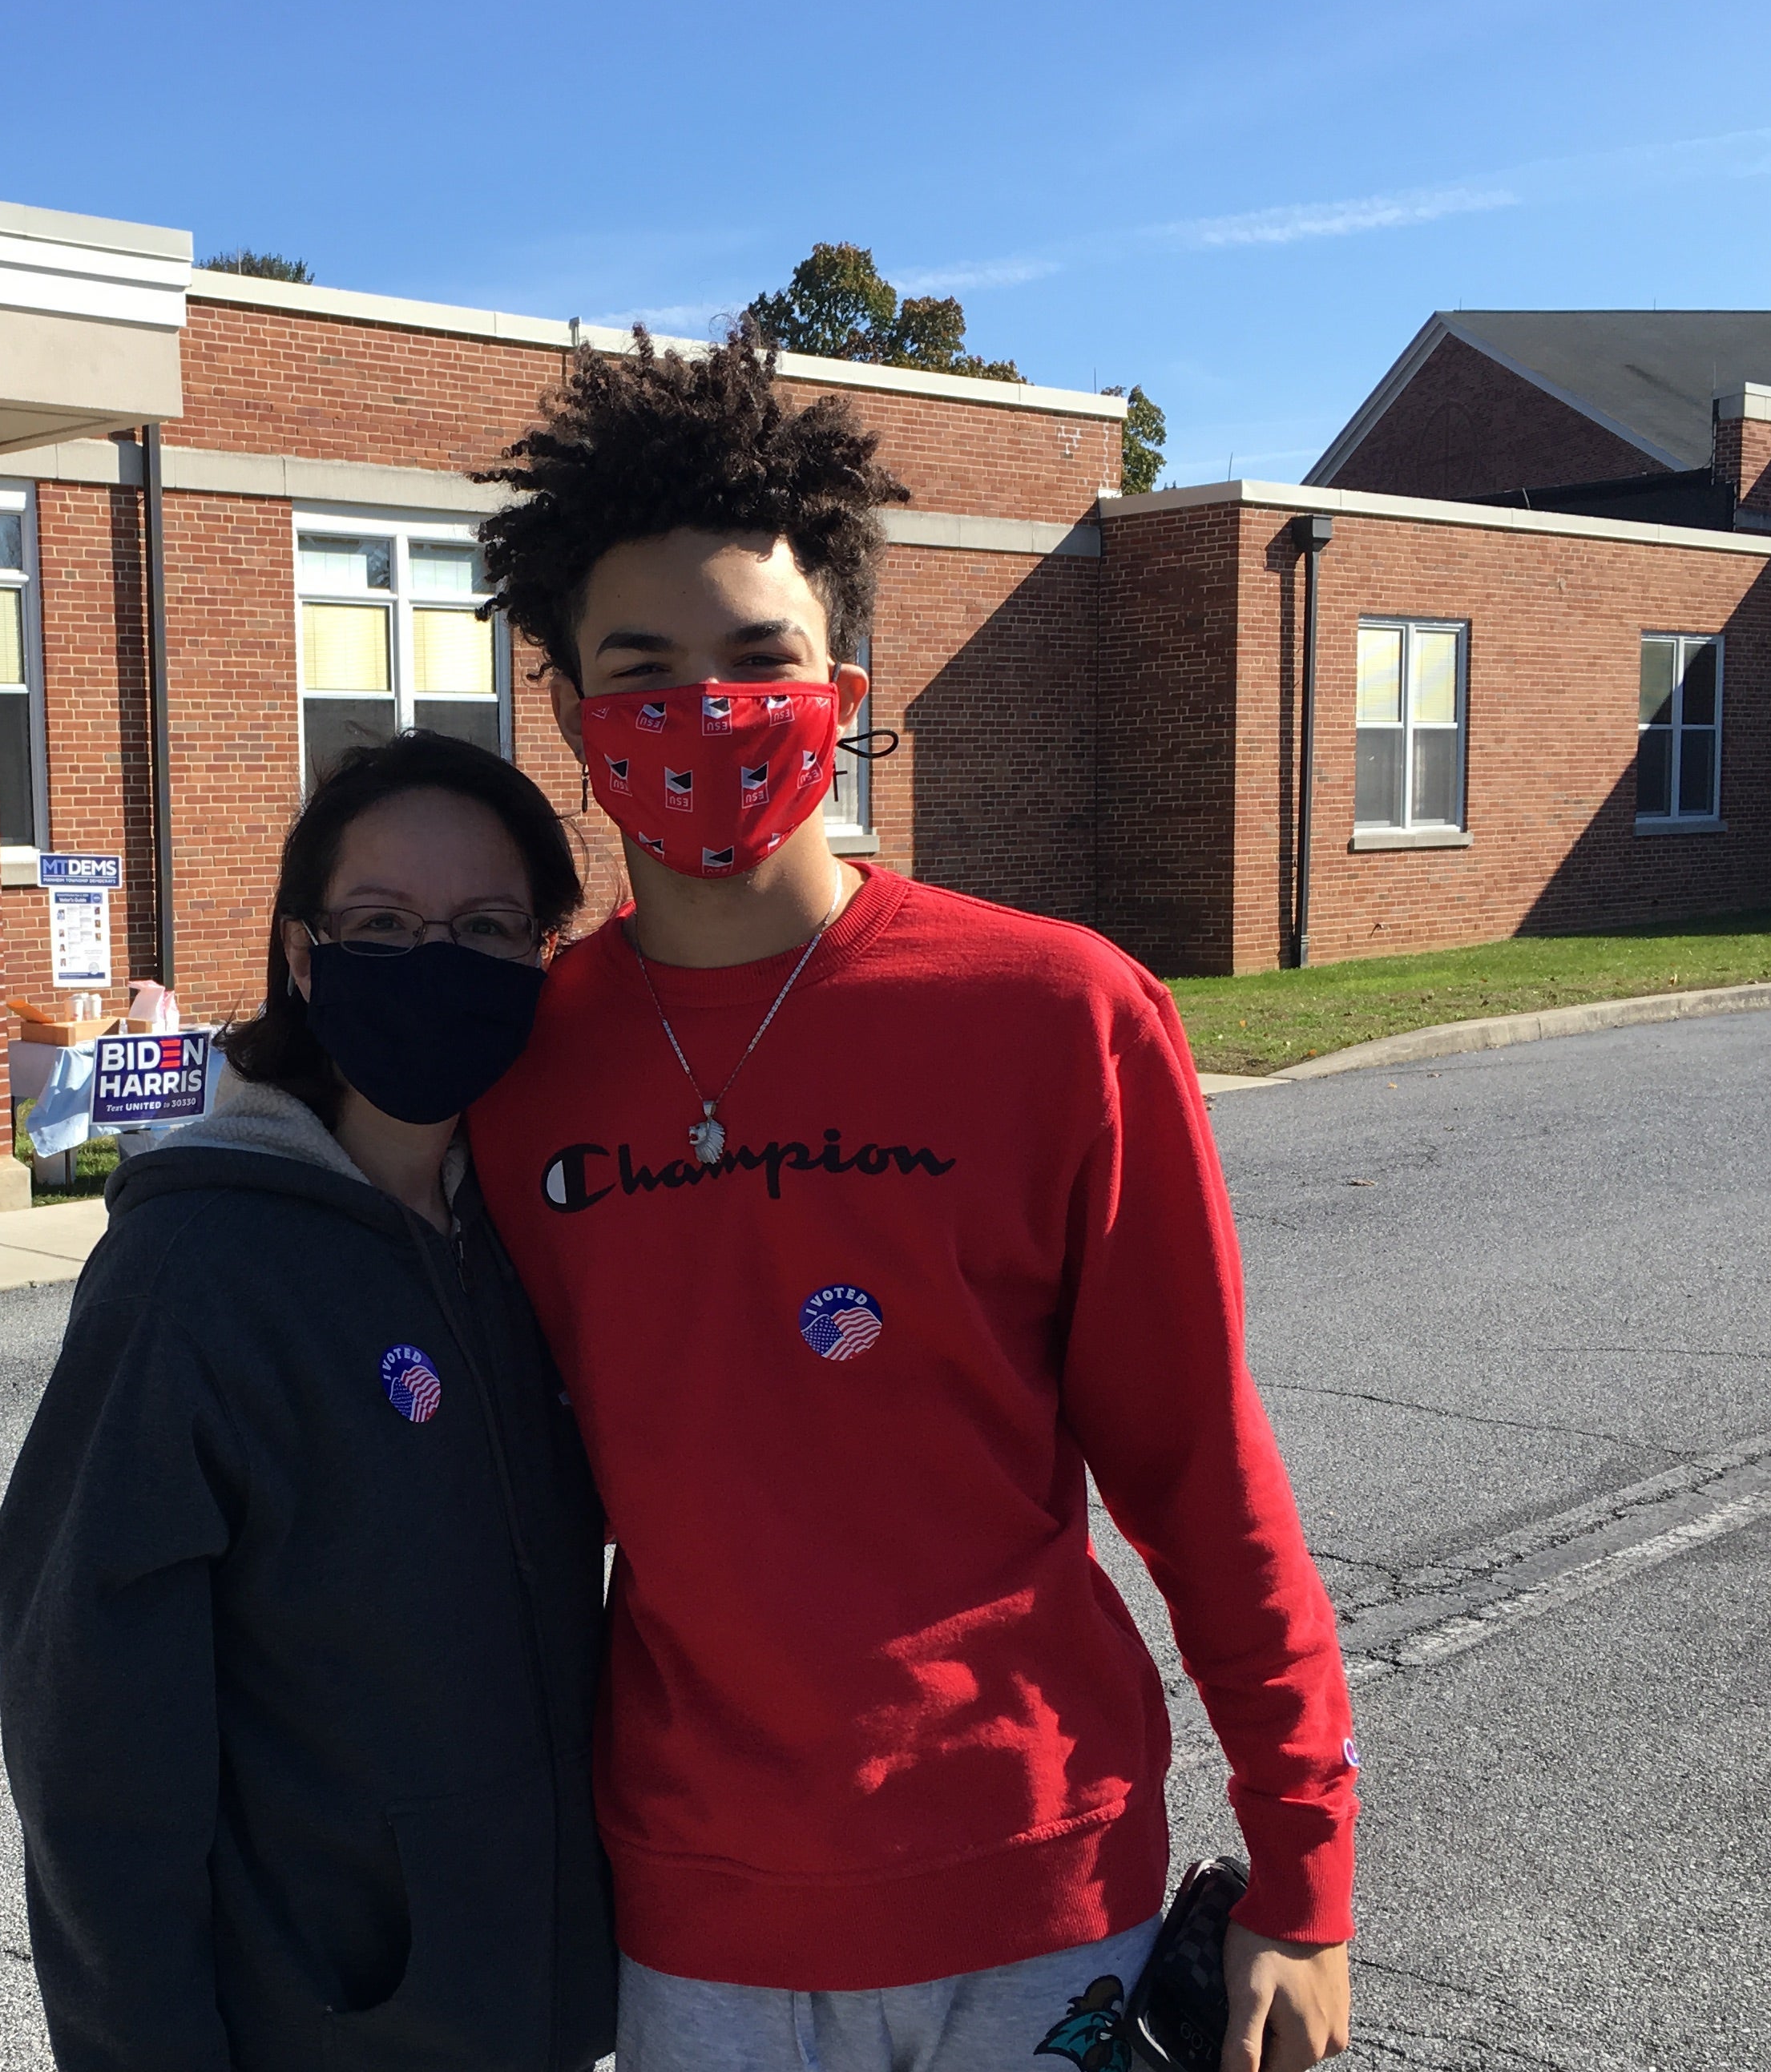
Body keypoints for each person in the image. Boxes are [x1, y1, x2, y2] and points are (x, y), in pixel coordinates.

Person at [462, 330, 1359, 2072]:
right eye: (640, 666)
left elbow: (1197, 1465)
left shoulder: (1056, 1016)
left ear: (846, 686)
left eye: (757, 657)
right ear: (565, 706)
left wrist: (1306, 1873)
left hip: (1037, 1892)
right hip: (689, 1914)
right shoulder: (520, 1066)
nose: (702, 708)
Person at [0, 732, 617, 2072]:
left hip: (539, 2004)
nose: (435, 960)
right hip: (323, 2024)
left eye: (488, 926)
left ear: (538, 958)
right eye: (381, 924)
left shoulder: (534, 1233)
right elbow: (90, 1742)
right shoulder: (193, 1271)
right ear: (300, 955)